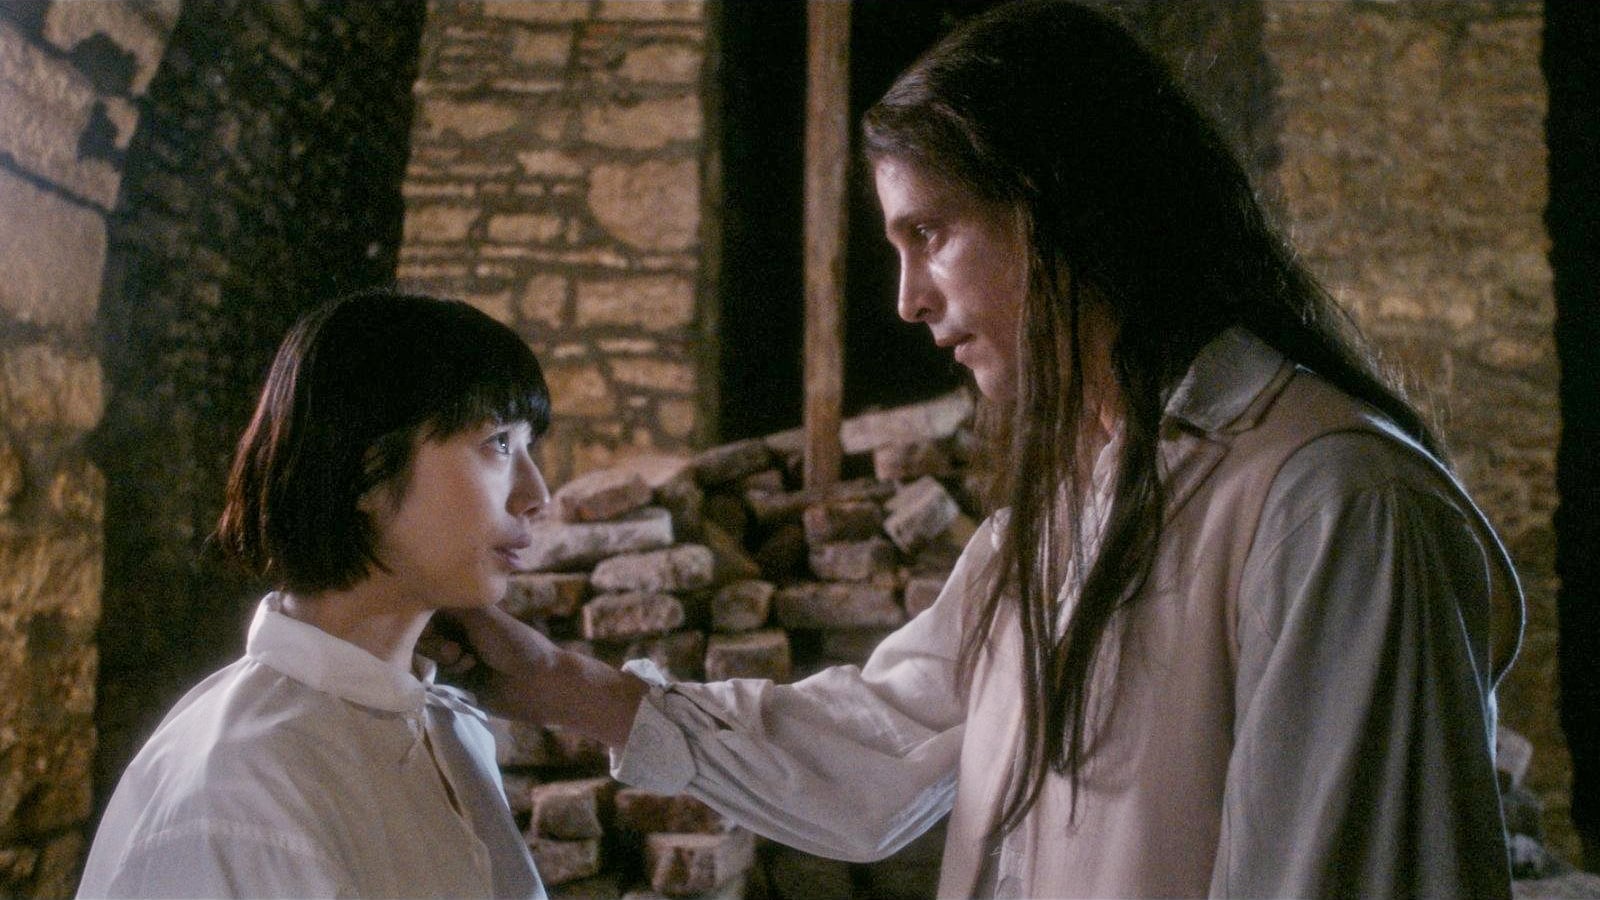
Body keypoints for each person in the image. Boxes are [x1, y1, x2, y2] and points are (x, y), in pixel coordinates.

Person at [436, 1, 1525, 896]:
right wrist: (562, 684)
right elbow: (876, 747)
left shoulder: (1331, 502)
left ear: (1064, 207)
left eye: (930, 233)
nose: (908, 300)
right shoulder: (1054, 525)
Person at [78, 291, 552, 898]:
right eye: (499, 443)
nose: (536, 493)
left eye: (528, 445)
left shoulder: (449, 730)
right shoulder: (240, 796)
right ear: (367, 470)